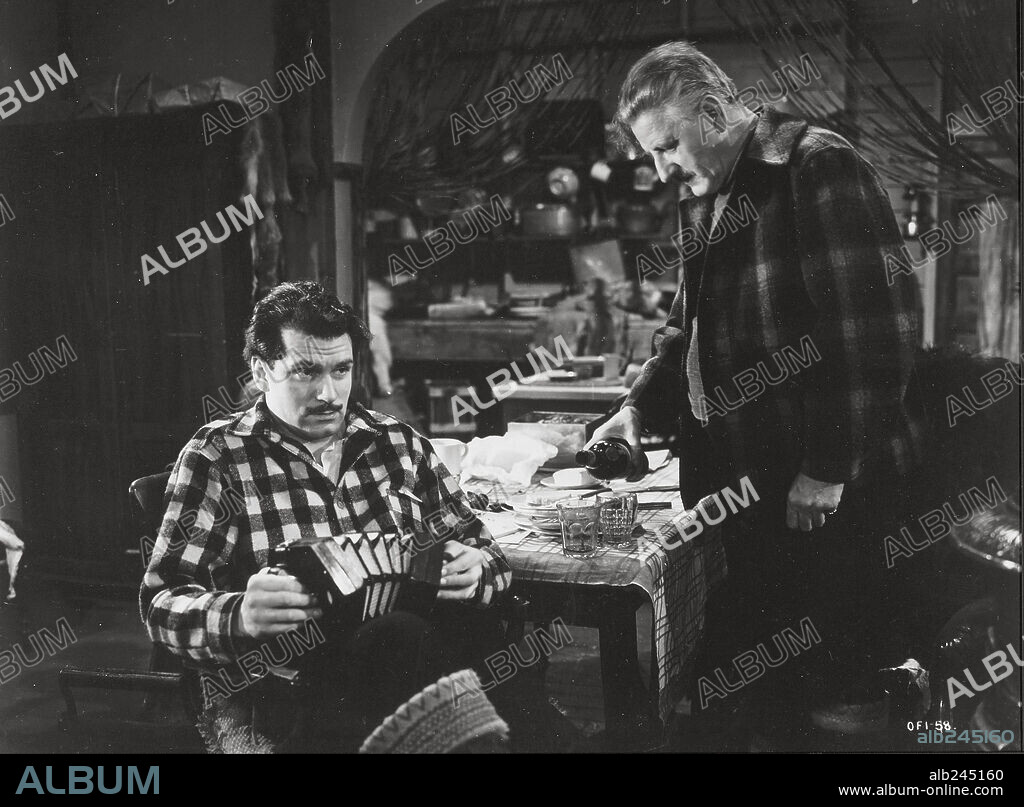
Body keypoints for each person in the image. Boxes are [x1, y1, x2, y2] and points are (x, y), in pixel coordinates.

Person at [590, 41, 924, 746]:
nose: (661, 170)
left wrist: (828, 465)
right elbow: (684, 327)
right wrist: (632, 411)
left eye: (667, 145)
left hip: (824, 493)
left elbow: (879, 329)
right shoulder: (704, 193)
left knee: (833, 701)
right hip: (748, 487)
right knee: (750, 688)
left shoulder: (817, 164)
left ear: (712, 111)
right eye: (651, 155)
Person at [140, 281, 513, 752]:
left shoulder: (396, 442)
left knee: (471, 635)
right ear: (260, 371)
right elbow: (162, 605)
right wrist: (240, 614)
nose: (330, 393)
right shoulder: (217, 456)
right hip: (292, 681)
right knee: (413, 642)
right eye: (306, 372)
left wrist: (476, 569)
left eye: (342, 370)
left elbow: (488, 551)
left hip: (407, 666)